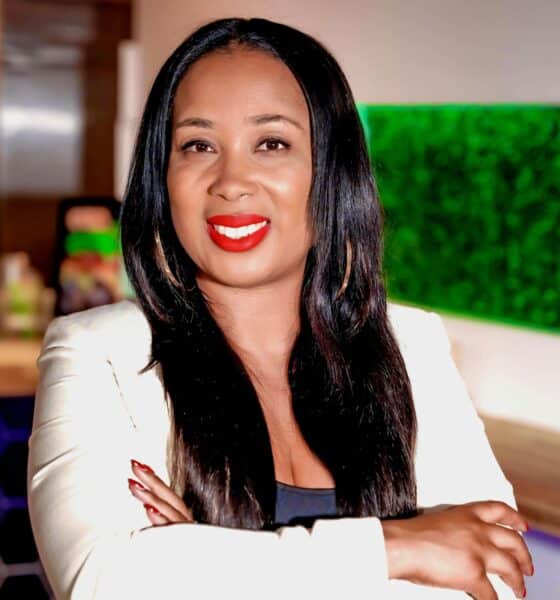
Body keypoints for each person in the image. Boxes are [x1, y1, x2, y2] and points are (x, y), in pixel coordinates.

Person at [27, 17, 533, 600]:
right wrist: (399, 548)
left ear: (330, 171)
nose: (232, 181)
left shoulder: (411, 344)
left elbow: (495, 569)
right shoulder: (95, 353)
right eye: (198, 145)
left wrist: (208, 559)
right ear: (163, 179)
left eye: (271, 143)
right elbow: (105, 582)